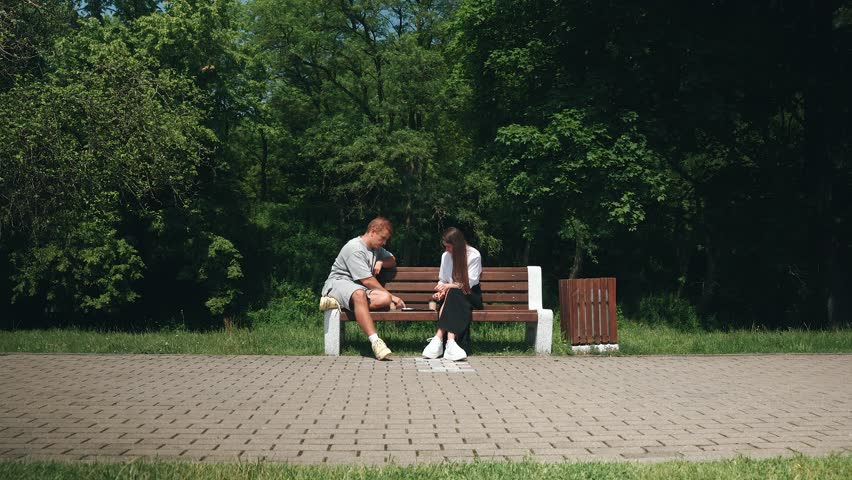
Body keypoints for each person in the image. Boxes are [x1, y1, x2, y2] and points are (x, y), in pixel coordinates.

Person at [320, 217, 406, 360]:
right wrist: (394, 297)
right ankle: (376, 342)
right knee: (360, 294)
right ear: (372, 231)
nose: (384, 243)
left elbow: (392, 260)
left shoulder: (376, 249)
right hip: (339, 283)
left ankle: (338, 303)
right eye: (383, 238)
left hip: (356, 289)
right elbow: (367, 281)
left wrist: (381, 262)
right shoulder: (354, 248)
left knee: (384, 299)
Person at [422, 227, 482, 361]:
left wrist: (448, 287)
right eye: (445, 246)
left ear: (457, 245)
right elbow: (443, 279)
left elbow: (469, 283)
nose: (446, 249)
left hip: (471, 294)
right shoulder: (445, 256)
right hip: (452, 296)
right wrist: (441, 291)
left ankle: (438, 339)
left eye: (449, 246)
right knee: (452, 293)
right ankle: (450, 343)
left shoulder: (474, 255)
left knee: (454, 292)